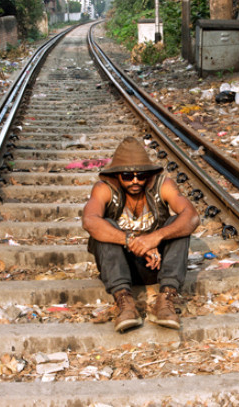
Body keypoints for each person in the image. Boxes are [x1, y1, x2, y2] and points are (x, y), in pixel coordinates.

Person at [82, 137, 200, 332]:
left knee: (178, 224)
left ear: (148, 174)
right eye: (128, 175)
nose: (135, 180)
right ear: (118, 174)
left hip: (156, 264)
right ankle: (124, 302)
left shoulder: (162, 185)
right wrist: (131, 241)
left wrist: (156, 237)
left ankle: (166, 298)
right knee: (104, 227)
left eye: (141, 175)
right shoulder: (104, 189)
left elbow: (192, 217)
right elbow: (90, 221)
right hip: (120, 267)